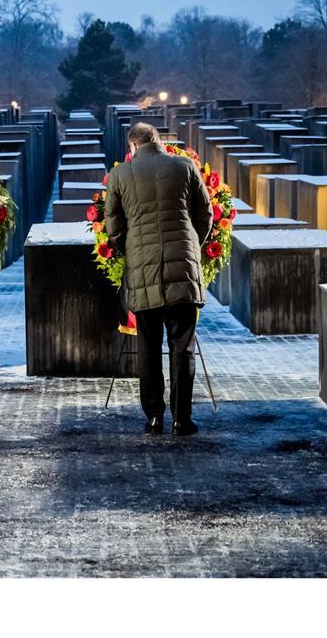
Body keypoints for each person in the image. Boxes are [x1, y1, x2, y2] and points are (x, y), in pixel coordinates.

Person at [104, 122, 213, 436]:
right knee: (183, 347)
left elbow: (113, 225)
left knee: (149, 347)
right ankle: (182, 418)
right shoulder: (184, 165)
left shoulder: (121, 175)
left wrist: (132, 250)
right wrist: (192, 244)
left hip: (143, 269)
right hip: (184, 268)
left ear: (133, 147)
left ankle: (154, 415)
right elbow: (204, 213)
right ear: (158, 142)